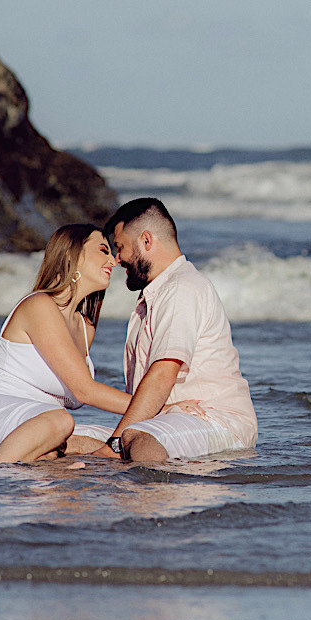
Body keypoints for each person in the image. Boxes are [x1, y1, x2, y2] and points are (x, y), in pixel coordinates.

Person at [0, 224, 135, 463]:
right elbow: (85, 390)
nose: (114, 261)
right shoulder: (40, 305)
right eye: (104, 250)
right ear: (74, 255)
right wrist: (161, 408)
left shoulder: (84, 328)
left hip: (33, 426)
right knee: (63, 421)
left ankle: (47, 461)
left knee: (123, 445)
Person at [81, 197, 258, 461]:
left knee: (133, 439)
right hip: (165, 422)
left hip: (217, 422)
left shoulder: (181, 287)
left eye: (120, 247)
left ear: (147, 241)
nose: (117, 259)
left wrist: (114, 445)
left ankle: (156, 499)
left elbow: (164, 373)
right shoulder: (156, 293)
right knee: (64, 435)